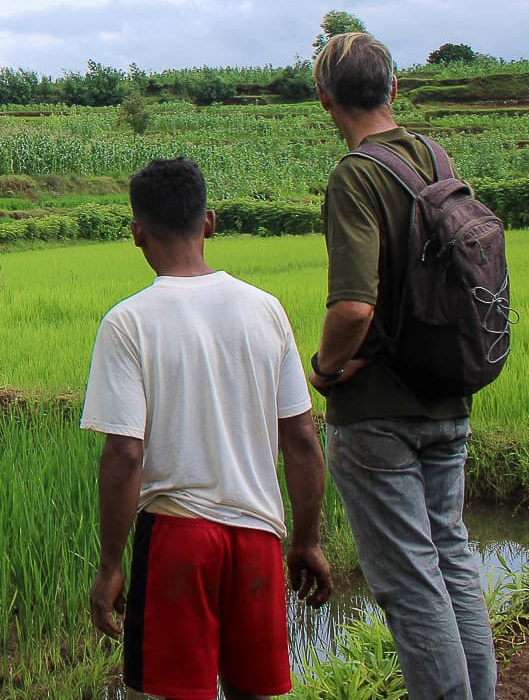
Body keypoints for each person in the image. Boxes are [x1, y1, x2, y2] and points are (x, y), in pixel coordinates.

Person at [83, 157, 333, 700]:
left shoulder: (129, 322)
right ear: (210, 223)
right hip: (258, 538)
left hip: (177, 537)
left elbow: (125, 454)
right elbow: (303, 439)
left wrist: (109, 566)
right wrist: (308, 539)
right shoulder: (266, 310)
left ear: (136, 233)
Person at [309, 32, 496, 700]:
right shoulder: (437, 158)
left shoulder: (357, 174)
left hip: (379, 414)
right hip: (448, 396)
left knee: (412, 584)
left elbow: (354, 306)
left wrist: (326, 369)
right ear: (394, 89)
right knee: (452, 562)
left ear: (325, 97)